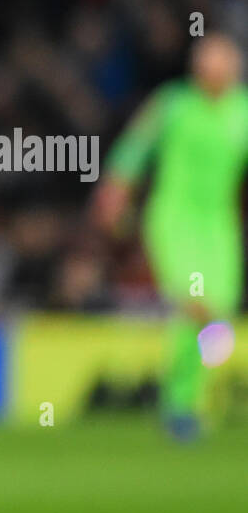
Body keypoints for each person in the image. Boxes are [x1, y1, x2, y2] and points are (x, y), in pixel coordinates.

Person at [94, 33, 248, 440]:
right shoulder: (173, 104)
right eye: (210, 61)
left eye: (225, 62)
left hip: (219, 226)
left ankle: (189, 397)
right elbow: (134, 147)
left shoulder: (243, 112)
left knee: (217, 315)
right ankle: (180, 405)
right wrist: (115, 190)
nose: (218, 70)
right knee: (195, 306)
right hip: (173, 220)